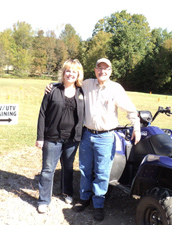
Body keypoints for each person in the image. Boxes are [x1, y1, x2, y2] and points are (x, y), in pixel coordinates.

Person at [46, 58, 141, 221]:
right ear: (95, 69)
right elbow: (69, 81)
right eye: (99, 68)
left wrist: (137, 127)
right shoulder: (87, 84)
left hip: (106, 136)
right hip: (87, 134)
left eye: (106, 68)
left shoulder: (115, 88)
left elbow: (131, 110)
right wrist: (52, 86)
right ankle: (84, 199)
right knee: (84, 169)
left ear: (110, 71)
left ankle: (98, 204)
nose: (102, 71)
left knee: (102, 173)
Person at [36, 59, 85, 214]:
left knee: (68, 167)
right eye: (68, 71)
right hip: (52, 137)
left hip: (72, 139)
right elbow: (42, 113)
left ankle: (67, 193)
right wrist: (40, 137)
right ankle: (44, 200)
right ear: (63, 73)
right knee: (48, 169)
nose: (71, 74)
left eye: (74, 71)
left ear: (78, 74)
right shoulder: (53, 90)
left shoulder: (82, 92)